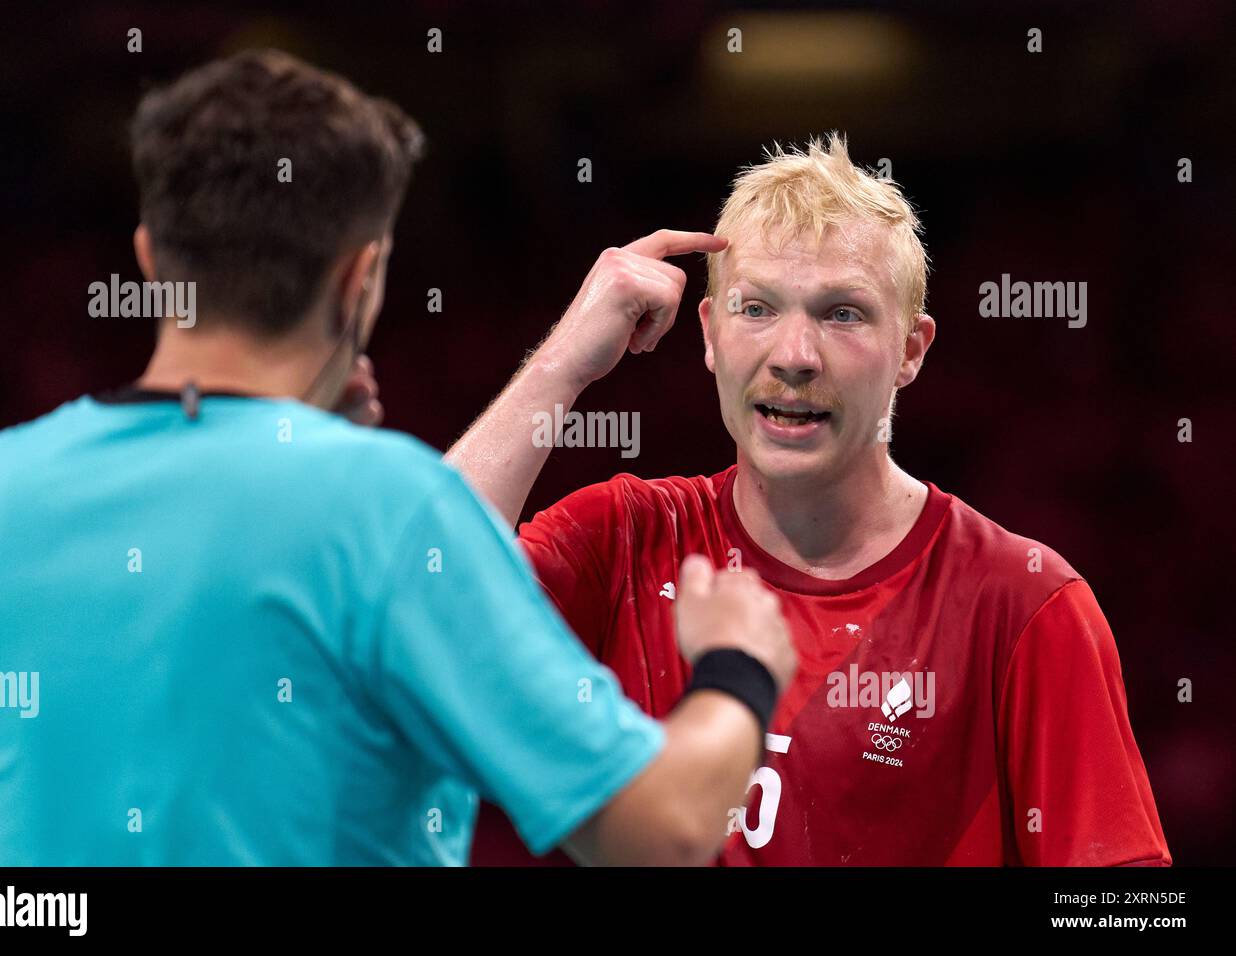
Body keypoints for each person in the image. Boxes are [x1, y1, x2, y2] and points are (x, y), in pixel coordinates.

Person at [0, 49, 796, 866]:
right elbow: (666, 830)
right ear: (361, 278)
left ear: (150, 259)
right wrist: (738, 665)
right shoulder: (378, 504)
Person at [452, 134, 1171, 866]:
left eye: (843, 314)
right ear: (709, 332)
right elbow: (406, 603)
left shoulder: (1024, 603)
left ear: (912, 350)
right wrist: (559, 367)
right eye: (757, 308)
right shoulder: (625, 537)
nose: (794, 355)